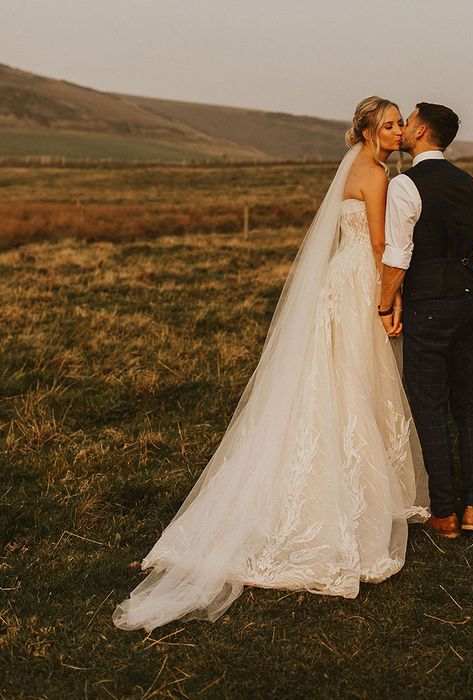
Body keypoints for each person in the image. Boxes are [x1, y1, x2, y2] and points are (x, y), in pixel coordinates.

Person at [113, 97, 429, 633]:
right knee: (356, 380)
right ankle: (350, 494)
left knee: (334, 379)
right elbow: (379, 244)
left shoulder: (353, 167)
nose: (400, 132)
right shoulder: (374, 175)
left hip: (338, 277)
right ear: (372, 132)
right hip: (360, 281)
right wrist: (390, 300)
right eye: (393, 125)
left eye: (402, 125)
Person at [379, 102, 473, 539]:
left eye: (408, 121)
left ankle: (444, 513)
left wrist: (384, 305)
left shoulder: (404, 185)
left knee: (428, 407)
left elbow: (397, 256)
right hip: (471, 304)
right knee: (469, 407)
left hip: (427, 305)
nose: (403, 128)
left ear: (423, 130)